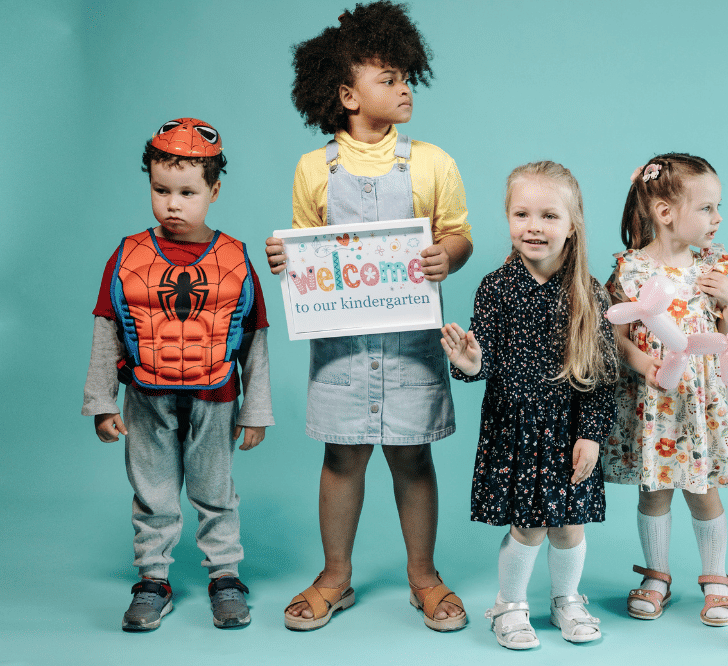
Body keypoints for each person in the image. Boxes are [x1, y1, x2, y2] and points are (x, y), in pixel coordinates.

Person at [264, 1, 473, 632]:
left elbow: (459, 234)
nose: (406, 86)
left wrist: (447, 255)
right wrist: (285, 257)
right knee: (341, 456)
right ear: (348, 94)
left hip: (413, 342)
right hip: (342, 348)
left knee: (412, 457)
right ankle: (336, 577)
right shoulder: (314, 169)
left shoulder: (433, 162)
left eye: (408, 75)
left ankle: (424, 576)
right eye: (389, 78)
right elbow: (307, 254)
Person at [82, 118, 273, 631]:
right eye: (161, 189)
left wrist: (256, 410)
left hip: (217, 394)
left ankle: (225, 577)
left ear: (214, 190)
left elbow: (254, 336)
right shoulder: (128, 256)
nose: (172, 204)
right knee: (153, 491)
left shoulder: (235, 257)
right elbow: (107, 329)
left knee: (215, 488)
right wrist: (101, 401)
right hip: (147, 394)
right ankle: (152, 579)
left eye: (187, 192)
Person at [441, 161, 617, 649]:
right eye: (521, 214)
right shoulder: (496, 288)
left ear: (572, 225)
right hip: (514, 428)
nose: (533, 227)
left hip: (568, 430)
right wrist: (472, 362)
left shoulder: (590, 293)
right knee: (529, 524)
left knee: (568, 523)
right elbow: (484, 363)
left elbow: (601, 377)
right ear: (507, 218)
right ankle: (510, 604)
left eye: (548, 216)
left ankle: (567, 600)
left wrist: (592, 434)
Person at [603, 154, 728, 627]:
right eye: (707, 208)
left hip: (699, 403)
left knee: (702, 491)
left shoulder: (712, 267)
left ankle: (716, 577)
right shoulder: (630, 271)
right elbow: (616, 335)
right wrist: (645, 363)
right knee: (655, 491)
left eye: (717, 207)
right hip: (655, 402)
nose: (718, 218)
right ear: (665, 213)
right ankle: (656, 575)